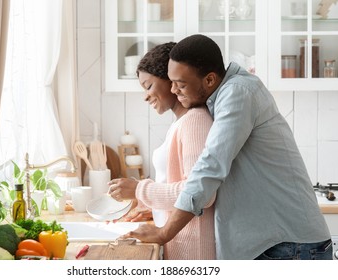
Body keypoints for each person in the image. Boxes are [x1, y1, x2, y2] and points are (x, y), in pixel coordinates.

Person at [121, 34, 332, 260]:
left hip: (289, 245)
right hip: (275, 243)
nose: (173, 90)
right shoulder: (220, 98)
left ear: (210, 80)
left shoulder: (238, 93)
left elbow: (209, 170)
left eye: (181, 84)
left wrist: (165, 233)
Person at [108, 42, 216, 260]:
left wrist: (140, 190)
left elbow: (202, 195)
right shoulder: (182, 122)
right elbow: (180, 187)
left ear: (170, 79)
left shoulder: (195, 121)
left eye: (148, 86)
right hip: (181, 245)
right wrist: (153, 206)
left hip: (192, 253)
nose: (146, 96)